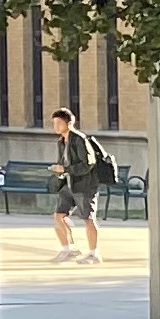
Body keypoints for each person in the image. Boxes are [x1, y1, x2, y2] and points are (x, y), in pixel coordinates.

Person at [45, 108, 104, 262]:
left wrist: (65, 169)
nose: (56, 126)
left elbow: (88, 163)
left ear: (69, 123)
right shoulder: (61, 141)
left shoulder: (79, 139)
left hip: (84, 184)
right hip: (68, 183)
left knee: (88, 218)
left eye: (59, 123)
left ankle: (94, 253)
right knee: (59, 216)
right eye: (54, 123)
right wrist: (59, 170)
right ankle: (68, 249)